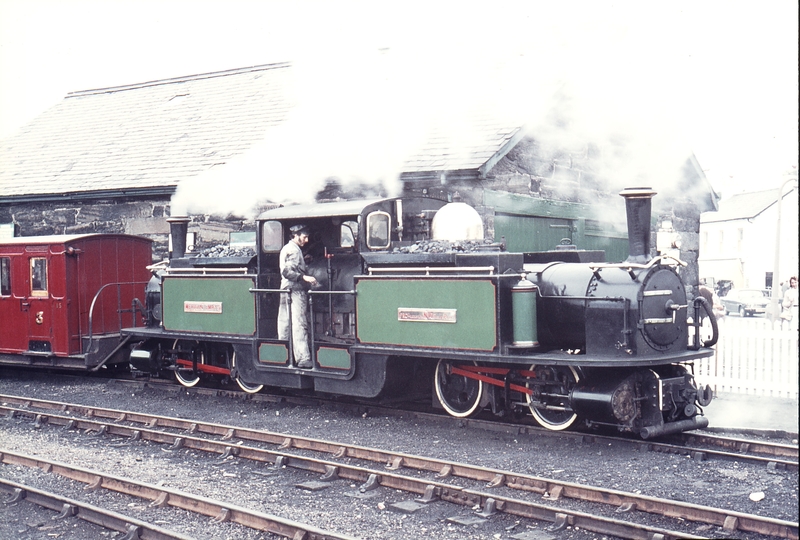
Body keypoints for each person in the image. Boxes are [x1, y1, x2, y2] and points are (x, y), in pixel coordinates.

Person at [278, 224, 318, 369]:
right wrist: (305, 278)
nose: (306, 240)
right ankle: (303, 358)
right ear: (295, 235)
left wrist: (304, 262)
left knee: (285, 323)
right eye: (304, 236)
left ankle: (284, 356)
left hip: (285, 288)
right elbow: (287, 272)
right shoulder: (294, 251)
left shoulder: (287, 249)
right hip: (295, 290)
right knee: (299, 323)